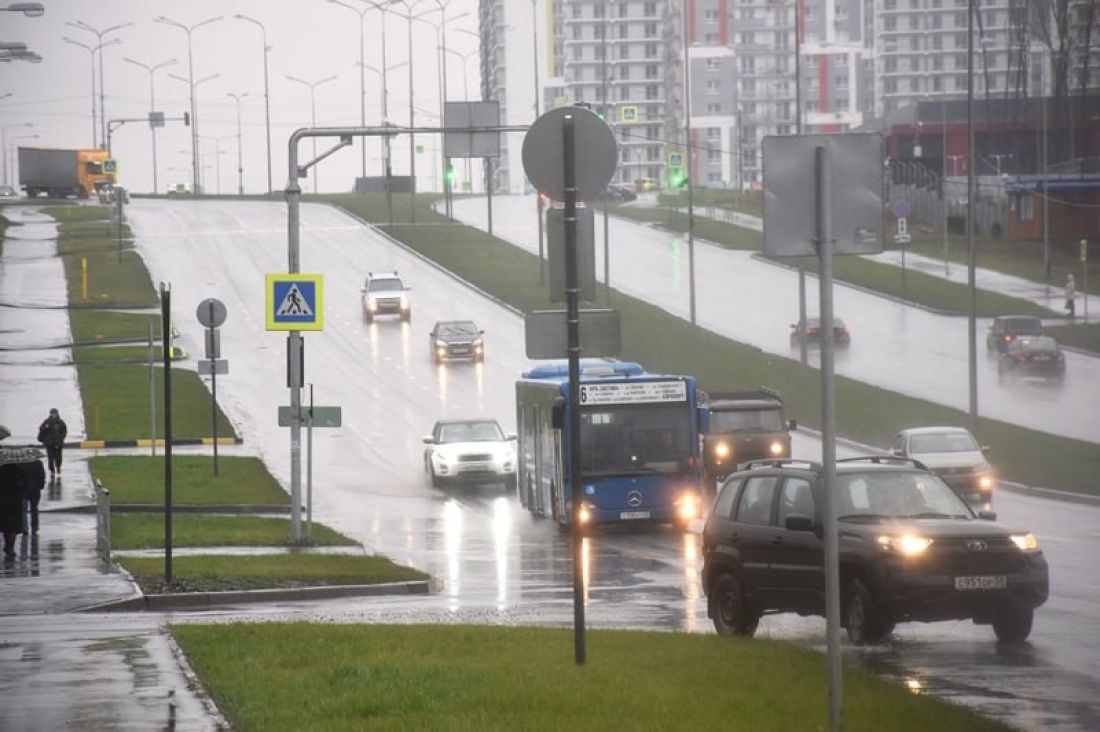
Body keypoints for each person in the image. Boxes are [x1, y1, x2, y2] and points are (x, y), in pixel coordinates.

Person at [20, 452, 46, 534]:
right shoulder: (38, 463)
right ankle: (35, 527)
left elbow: (17, 478)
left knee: (23, 510)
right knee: (34, 508)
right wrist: (41, 486)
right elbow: (42, 475)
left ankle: (24, 528)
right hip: (35, 490)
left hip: (24, 490)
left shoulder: (20, 464)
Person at [37, 407, 68, 477]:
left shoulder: (60, 422)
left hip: (58, 443)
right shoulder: (46, 422)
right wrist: (45, 428)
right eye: (52, 414)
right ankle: (52, 470)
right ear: (50, 414)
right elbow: (41, 429)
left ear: (57, 414)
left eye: (55, 414)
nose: (54, 415)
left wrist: (61, 438)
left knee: (58, 457)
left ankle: (58, 467)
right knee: (50, 457)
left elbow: (64, 431)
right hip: (49, 443)